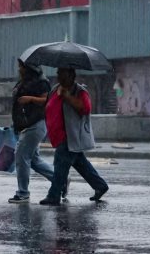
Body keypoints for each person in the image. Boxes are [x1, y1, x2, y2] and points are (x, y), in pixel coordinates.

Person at [40, 68, 109, 206]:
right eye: (58, 72)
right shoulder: (55, 88)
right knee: (81, 164)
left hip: (70, 136)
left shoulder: (80, 91)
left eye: (62, 72)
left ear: (71, 75)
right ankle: (100, 185)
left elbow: (85, 108)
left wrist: (67, 96)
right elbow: (48, 103)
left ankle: (54, 195)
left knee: (60, 166)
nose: (59, 75)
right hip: (59, 136)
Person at [8, 60, 61, 203]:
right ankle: (60, 180)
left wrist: (30, 99)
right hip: (25, 125)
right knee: (34, 160)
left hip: (35, 124)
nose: (19, 69)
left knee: (21, 156)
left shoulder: (41, 82)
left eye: (21, 66)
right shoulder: (23, 82)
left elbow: (47, 100)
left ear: (29, 68)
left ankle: (23, 193)